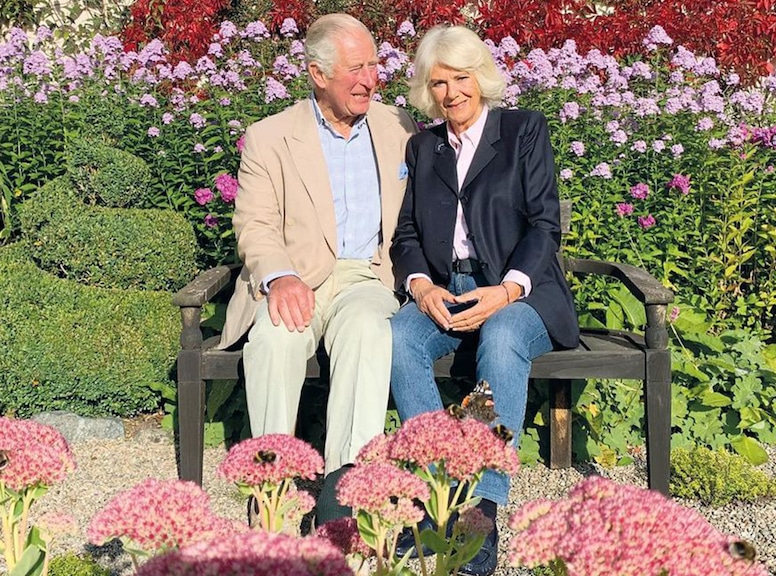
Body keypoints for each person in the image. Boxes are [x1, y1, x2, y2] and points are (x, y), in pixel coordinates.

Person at [389, 25, 579, 576]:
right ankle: (435, 498)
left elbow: (544, 224)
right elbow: (405, 235)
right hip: (446, 289)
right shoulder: (423, 146)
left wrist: (506, 289)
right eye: (440, 83)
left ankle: (483, 510)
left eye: (462, 78)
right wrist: (420, 284)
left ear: (481, 78)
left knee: (502, 334)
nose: (452, 93)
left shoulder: (522, 130)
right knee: (399, 337)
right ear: (429, 92)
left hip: (521, 291)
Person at [218, 13, 417, 526]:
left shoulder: (399, 127)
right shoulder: (271, 136)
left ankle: (345, 484)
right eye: (355, 68)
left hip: (366, 276)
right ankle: (272, 479)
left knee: (371, 331)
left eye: (374, 65)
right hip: (296, 277)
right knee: (274, 340)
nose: (368, 79)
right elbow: (255, 222)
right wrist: (278, 275)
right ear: (317, 74)